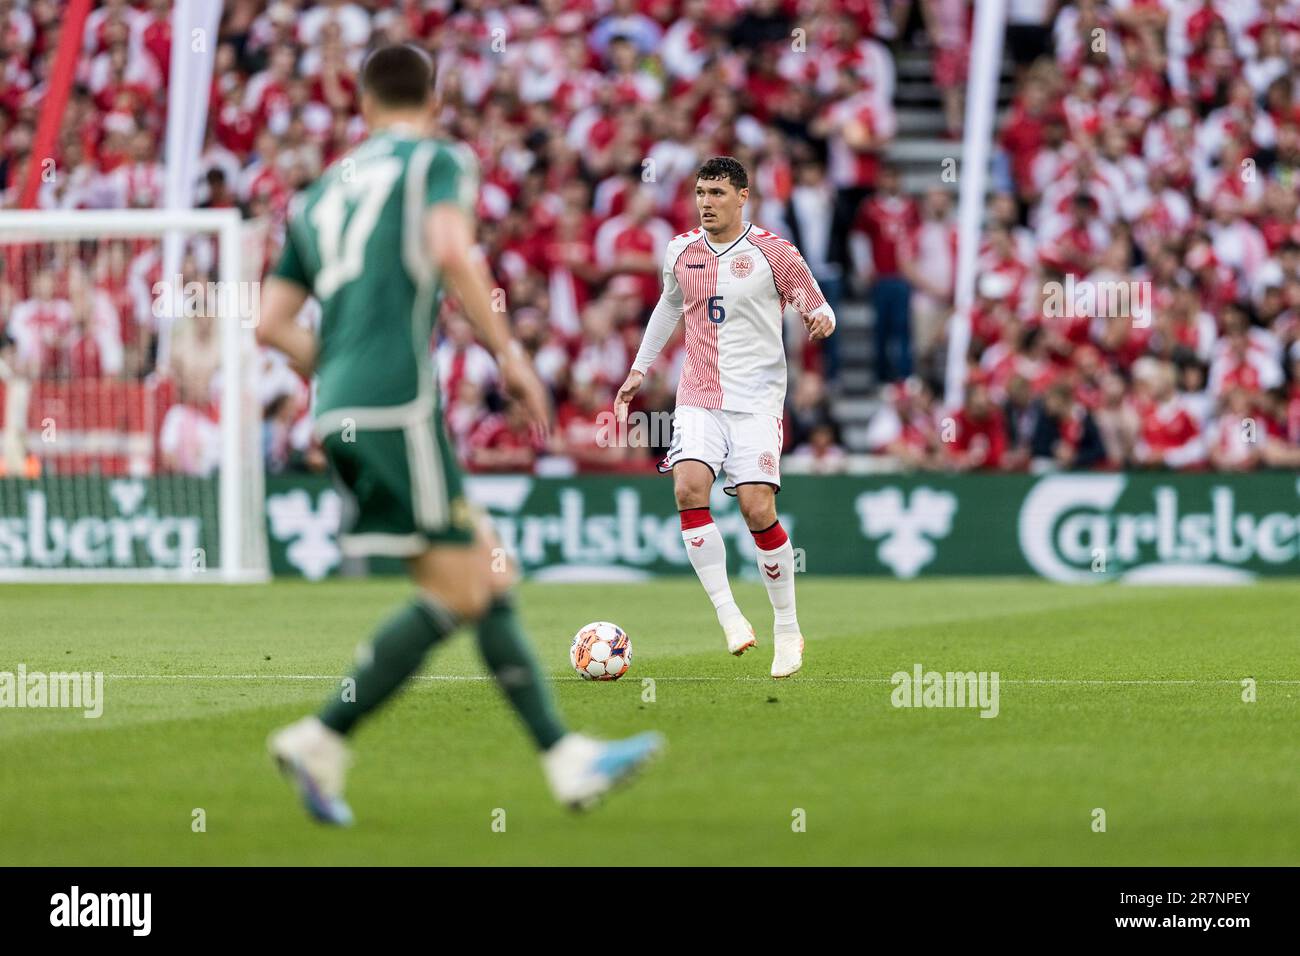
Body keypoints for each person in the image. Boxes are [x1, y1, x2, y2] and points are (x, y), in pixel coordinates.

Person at [255, 45, 662, 826]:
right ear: (433, 101)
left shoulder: (314, 199)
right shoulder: (434, 162)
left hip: (335, 407)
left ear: (364, 106)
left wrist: (337, 378)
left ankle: (560, 759)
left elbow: (269, 325)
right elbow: (449, 250)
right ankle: (324, 734)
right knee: (469, 583)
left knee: (479, 579)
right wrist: (509, 354)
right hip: (397, 405)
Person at [614, 156, 836, 679]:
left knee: (758, 509)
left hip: (757, 400)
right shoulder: (681, 250)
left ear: (742, 196)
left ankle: (786, 627)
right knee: (689, 489)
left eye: (716, 193)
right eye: (700, 193)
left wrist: (822, 318)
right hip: (698, 396)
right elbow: (669, 307)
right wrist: (639, 370)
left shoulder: (773, 250)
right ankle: (729, 614)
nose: (706, 203)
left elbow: (814, 303)